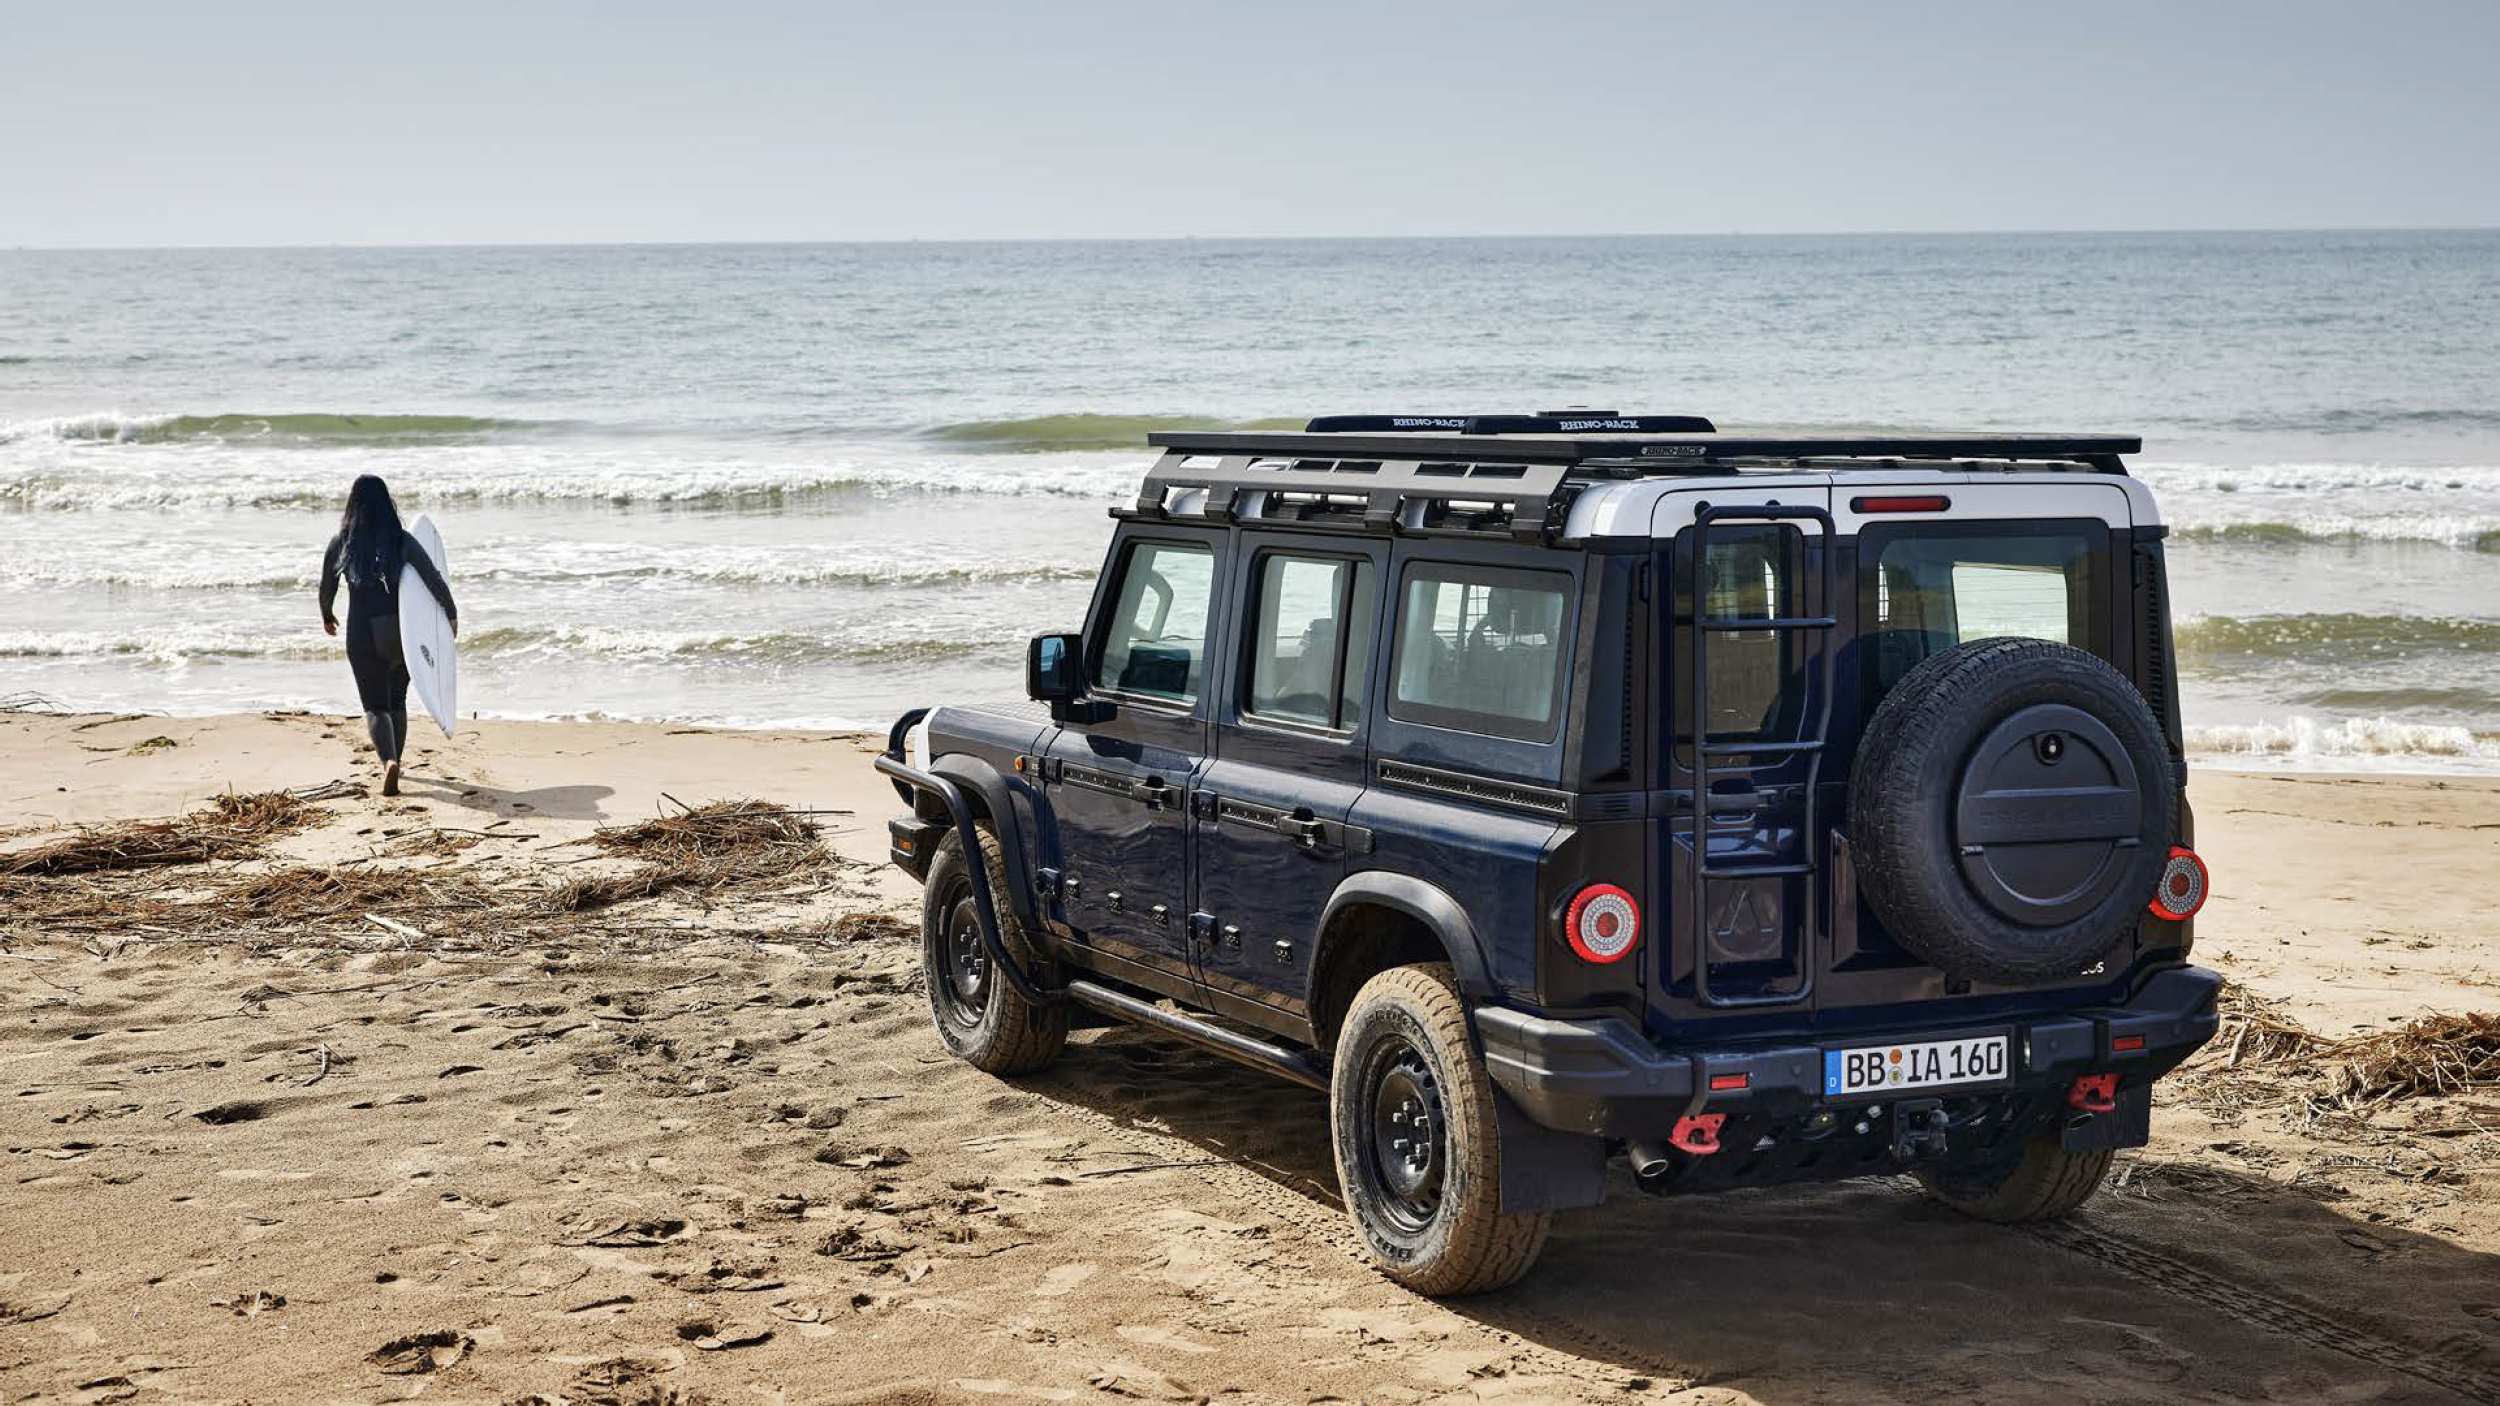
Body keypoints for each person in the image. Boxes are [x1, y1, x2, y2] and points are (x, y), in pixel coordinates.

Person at [318, 475, 456, 796]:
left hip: (363, 633)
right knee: (397, 701)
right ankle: (398, 762)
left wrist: (327, 614)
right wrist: (450, 613)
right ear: (387, 503)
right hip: (400, 633)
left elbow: (327, 584)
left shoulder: (342, 543)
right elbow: (432, 577)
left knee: (375, 705)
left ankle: (388, 761)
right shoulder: (401, 540)